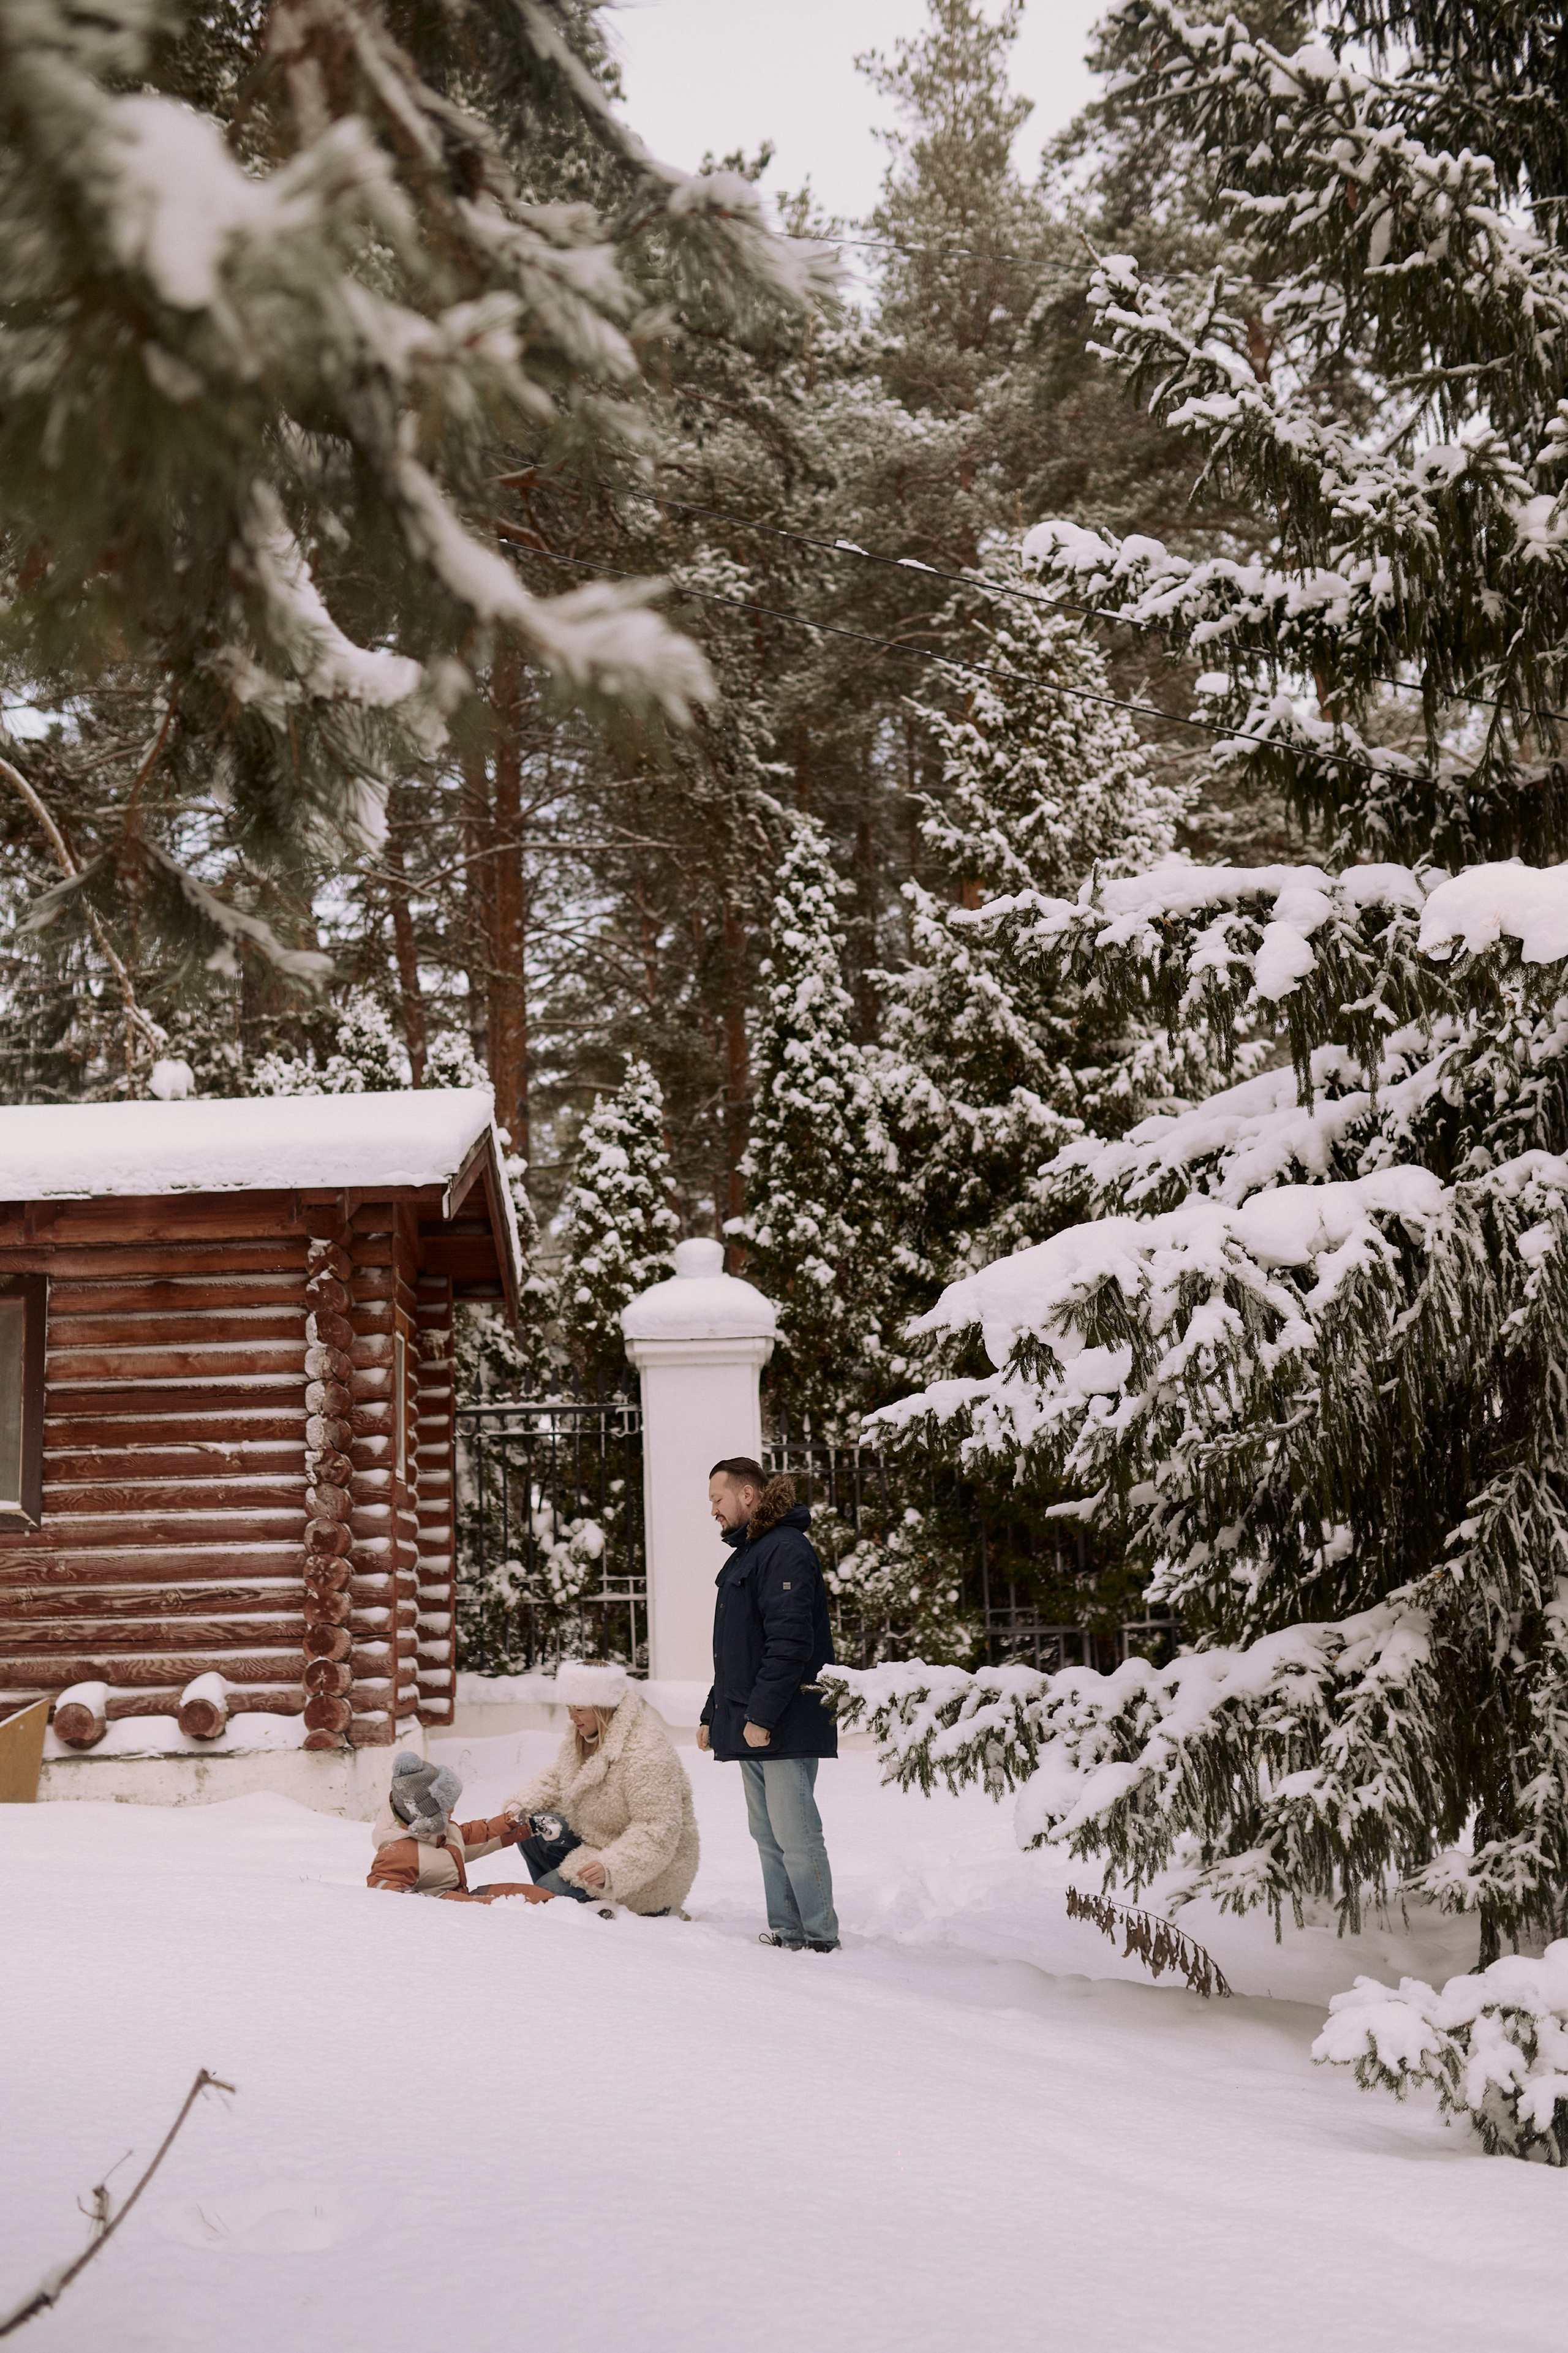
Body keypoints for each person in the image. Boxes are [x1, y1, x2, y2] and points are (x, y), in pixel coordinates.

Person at [699, 1459, 840, 1952]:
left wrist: (761, 1716)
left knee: (797, 1837)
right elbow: (738, 1648)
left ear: (748, 1496)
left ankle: (820, 1939)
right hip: (749, 1721)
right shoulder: (748, 1554)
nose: (713, 1511)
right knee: (768, 1837)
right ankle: (788, 1933)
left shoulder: (785, 1550)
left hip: (784, 1721)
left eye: (718, 1500)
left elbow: (789, 1644)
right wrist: (713, 1711)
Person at [502, 1662, 700, 1916]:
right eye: (569, 1708)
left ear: (604, 1708)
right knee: (532, 1829)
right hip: (598, 1847)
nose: (572, 1717)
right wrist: (521, 1804)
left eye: (580, 1709)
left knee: (545, 1894)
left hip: (647, 1873)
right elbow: (558, 1776)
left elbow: (657, 1831)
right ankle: (571, 1904)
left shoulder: (647, 1752)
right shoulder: (585, 1737)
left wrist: (613, 1868)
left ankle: (630, 1912)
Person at [366, 1752, 545, 1900]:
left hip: (462, 1899)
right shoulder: (398, 1852)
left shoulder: (441, 1831)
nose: (453, 1812)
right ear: (425, 1815)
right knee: (511, 1909)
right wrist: (415, 1901)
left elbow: (478, 1835)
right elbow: (381, 1886)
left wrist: (521, 1826)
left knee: (531, 1896)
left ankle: (561, 1909)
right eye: (446, 1810)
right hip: (448, 1912)